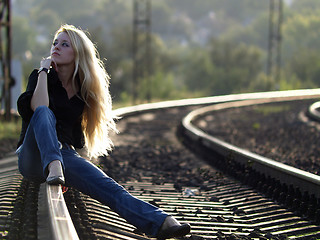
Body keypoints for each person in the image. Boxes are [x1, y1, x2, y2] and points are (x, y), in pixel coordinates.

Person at [16, 24, 190, 239]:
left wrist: (76, 170)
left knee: (108, 186)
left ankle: (160, 222)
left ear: (77, 53)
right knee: (44, 113)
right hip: (33, 155)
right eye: (55, 43)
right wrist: (43, 70)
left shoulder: (82, 92)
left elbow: (75, 138)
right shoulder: (40, 76)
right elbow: (38, 108)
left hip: (64, 155)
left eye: (64, 44)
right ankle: (54, 166)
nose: (56, 48)